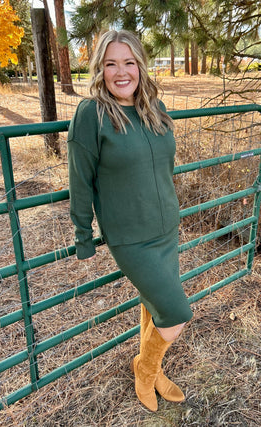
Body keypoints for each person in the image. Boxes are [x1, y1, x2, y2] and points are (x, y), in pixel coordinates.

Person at [67, 29, 193, 412]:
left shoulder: (154, 107)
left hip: (166, 228)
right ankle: (144, 368)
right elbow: (80, 179)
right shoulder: (92, 114)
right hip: (130, 237)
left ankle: (153, 372)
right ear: (100, 69)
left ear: (140, 65)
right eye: (110, 64)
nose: (121, 72)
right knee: (175, 315)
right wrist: (82, 233)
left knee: (153, 305)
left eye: (128, 62)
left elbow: (164, 165)